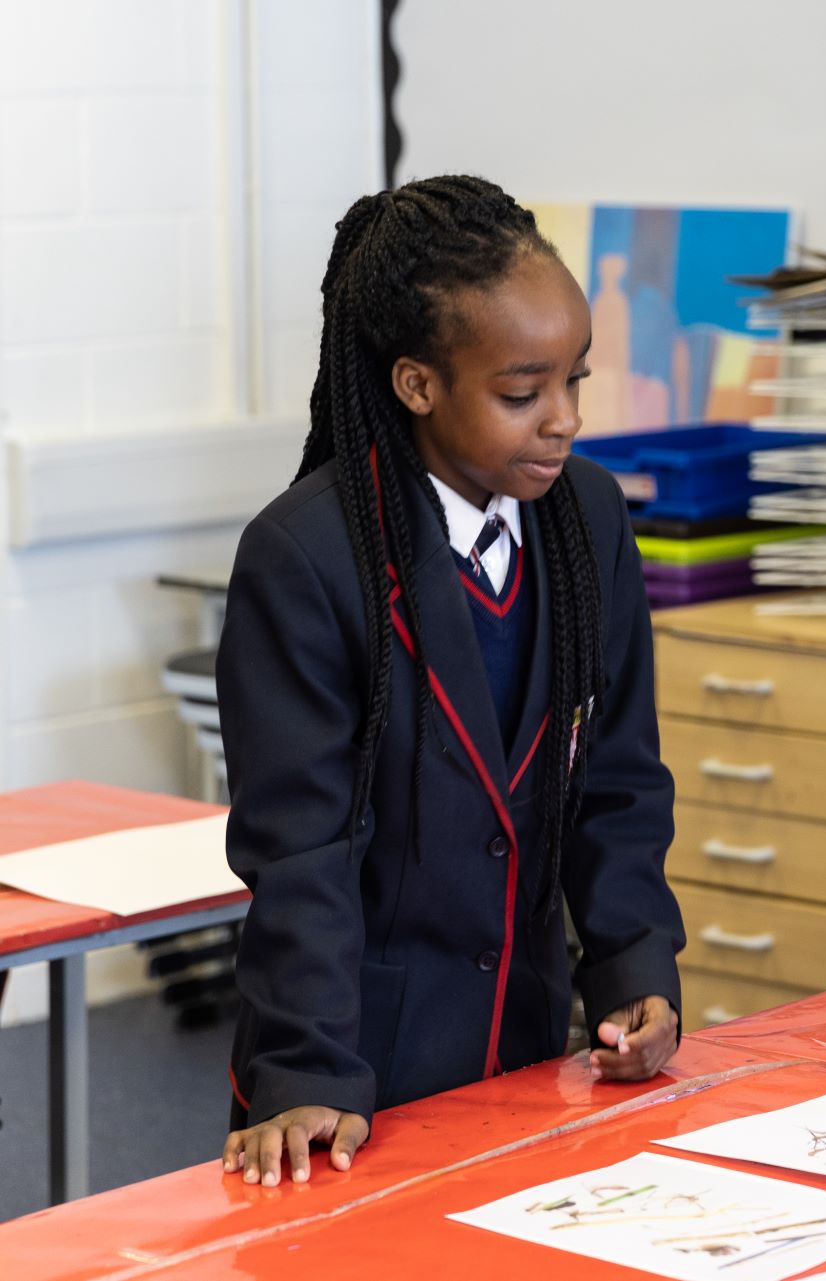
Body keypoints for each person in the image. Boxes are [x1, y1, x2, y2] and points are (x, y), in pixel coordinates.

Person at [218, 176, 684, 1187]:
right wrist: (304, 1067)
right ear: (418, 384)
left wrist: (635, 967)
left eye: (577, 381)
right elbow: (300, 852)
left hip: (526, 1055)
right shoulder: (305, 556)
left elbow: (617, 780)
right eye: (522, 394)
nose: (561, 420)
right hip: (349, 1069)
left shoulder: (587, 520)